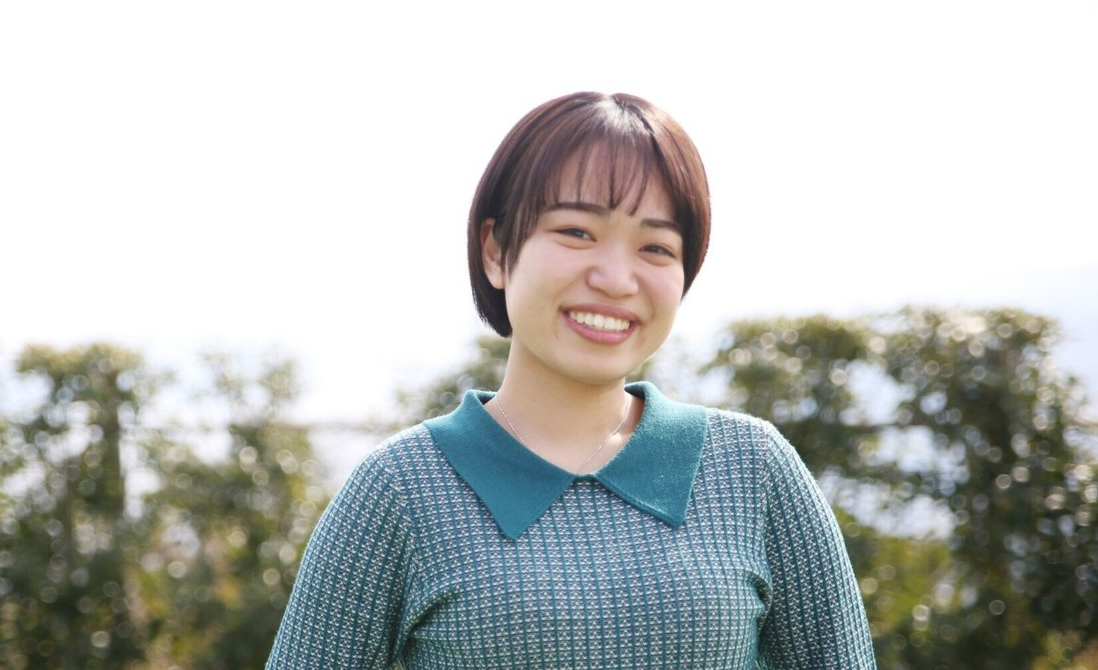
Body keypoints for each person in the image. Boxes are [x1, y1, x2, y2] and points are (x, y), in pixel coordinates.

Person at [265, 92, 875, 668]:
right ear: (495, 251)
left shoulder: (753, 468)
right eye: (576, 232)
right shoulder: (401, 487)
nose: (616, 279)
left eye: (656, 248)